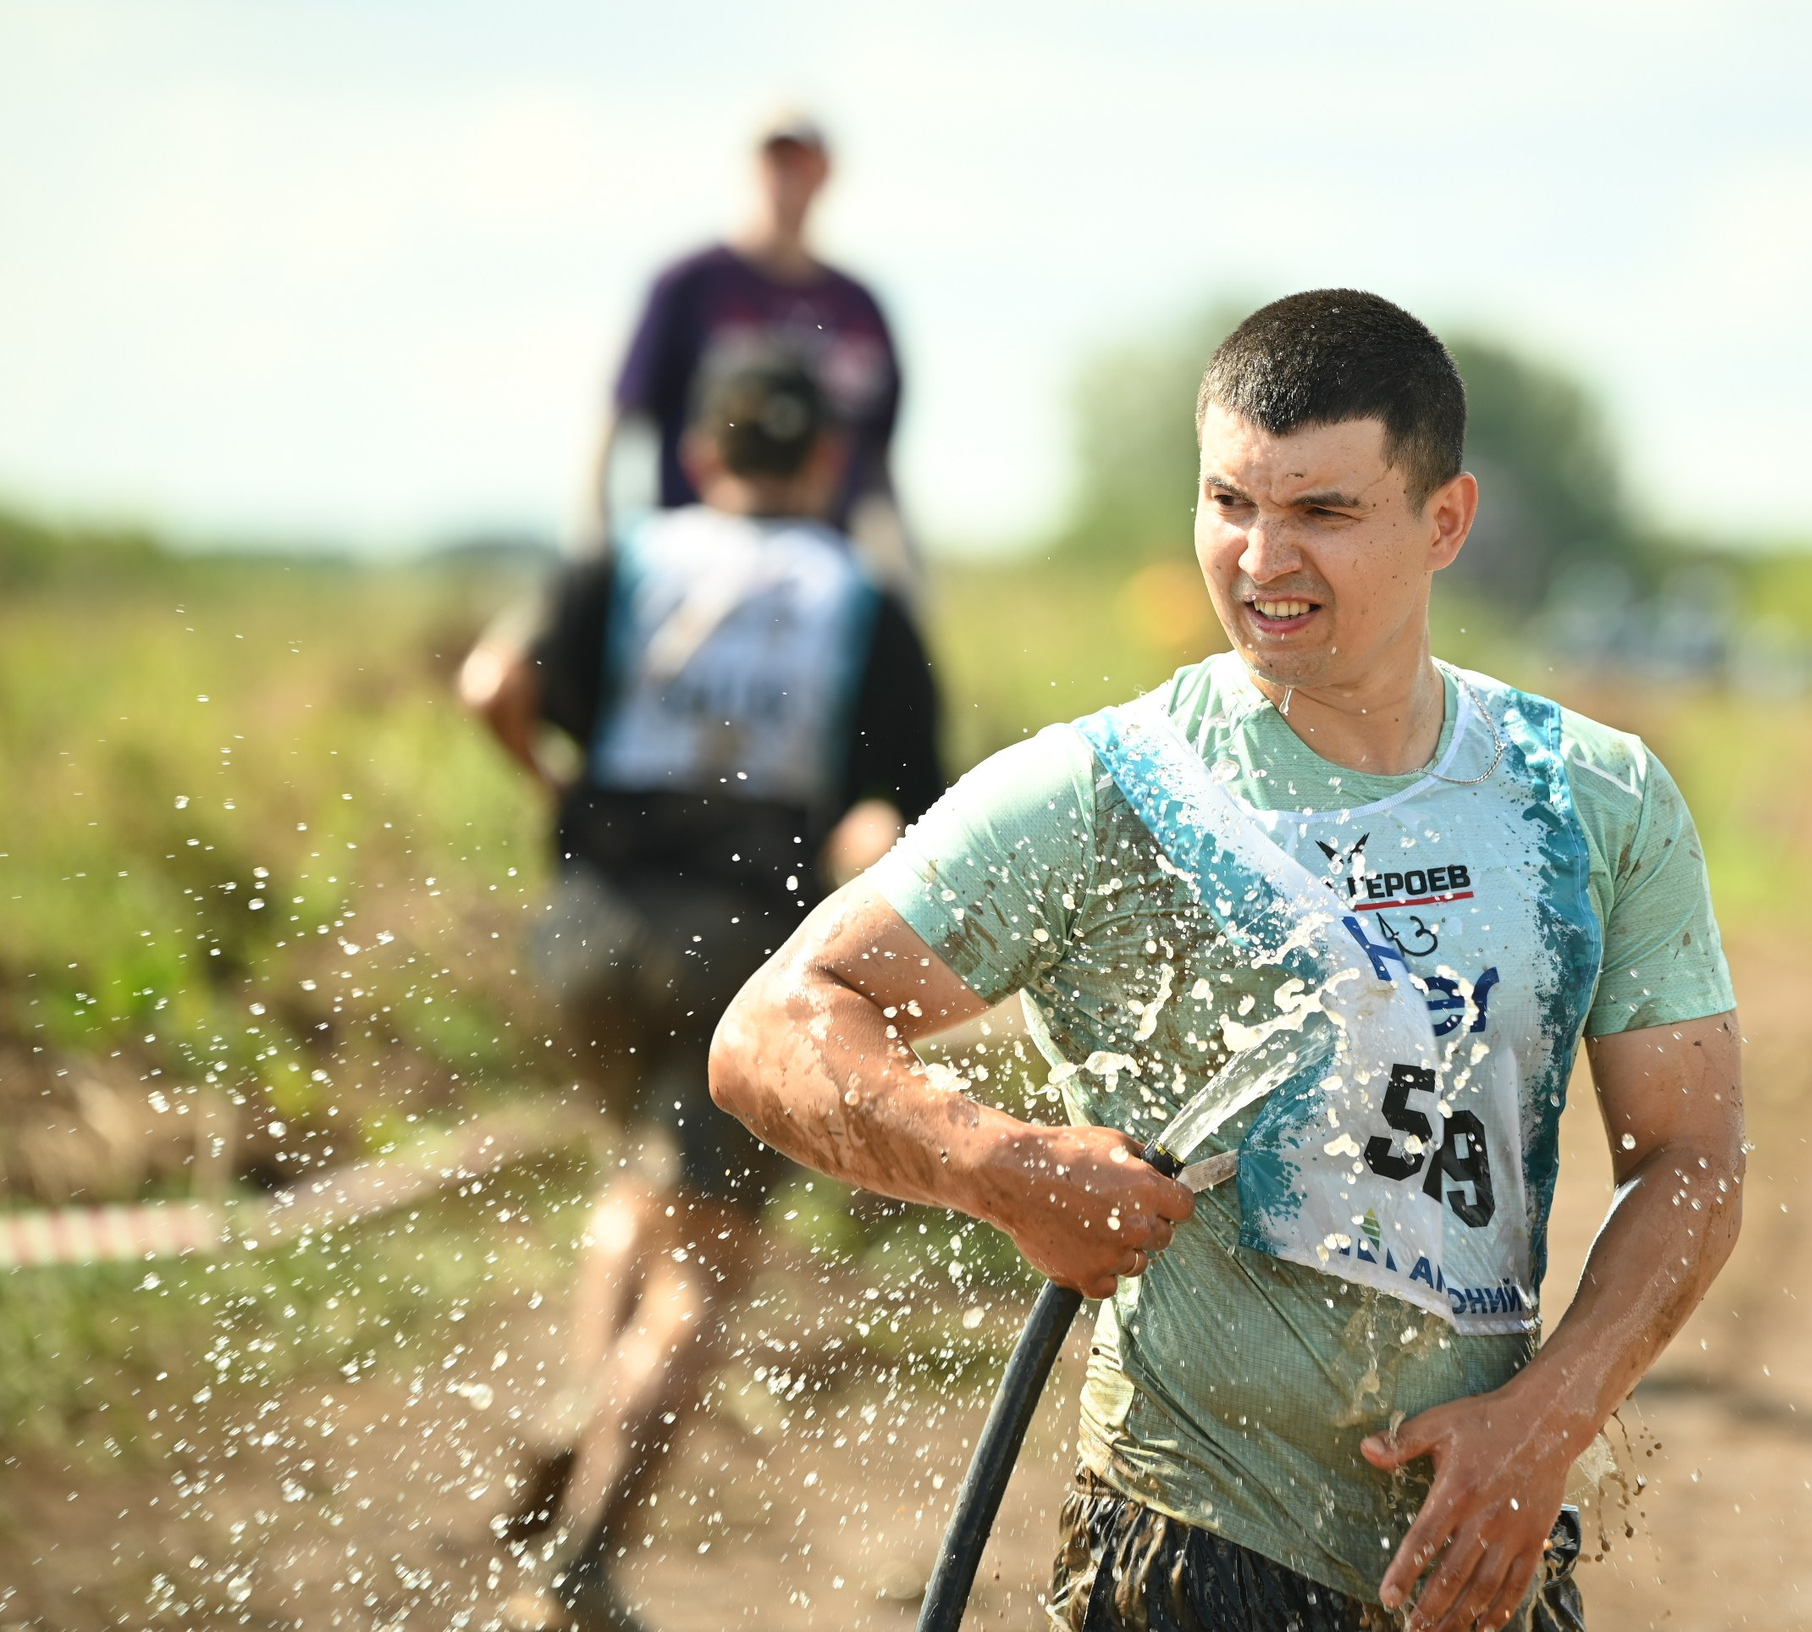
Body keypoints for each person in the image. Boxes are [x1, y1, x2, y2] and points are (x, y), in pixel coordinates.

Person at [708, 291, 1747, 1632]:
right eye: (1229, 502)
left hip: (1480, 1542)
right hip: (1184, 1547)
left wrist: (1550, 1417)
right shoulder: (1106, 791)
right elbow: (770, 1027)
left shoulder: (1590, 795)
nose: (1263, 559)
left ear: (1445, 522)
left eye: (1323, 511)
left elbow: (1692, 1158)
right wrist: (996, 1165)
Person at [459, 343, 946, 1631]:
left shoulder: (624, 557)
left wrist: (554, 787)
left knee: (637, 1172)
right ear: (829, 460)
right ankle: (580, 1566)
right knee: (709, 1261)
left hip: (590, 929)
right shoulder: (861, 595)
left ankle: (582, 1396)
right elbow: (896, 820)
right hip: (740, 944)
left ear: (699, 452)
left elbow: (492, 684)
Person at [589, 108, 911, 586]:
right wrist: (597, 557)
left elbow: (878, 464)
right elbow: (620, 417)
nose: (788, 176)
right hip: (691, 571)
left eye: (802, 161)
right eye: (777, 159)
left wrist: (902, 578)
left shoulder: (857, 306)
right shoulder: (691, 285)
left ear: (826, 173)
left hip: (813, 578)